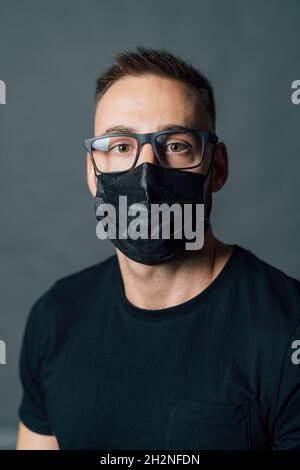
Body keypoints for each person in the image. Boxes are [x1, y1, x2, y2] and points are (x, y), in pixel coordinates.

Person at [16, 46, 300, 450]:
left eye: (176, 144)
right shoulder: (55, 317)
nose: (146, 172)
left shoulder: (286, 331)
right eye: (120, 146)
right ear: (92, 173)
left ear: (216, 167)